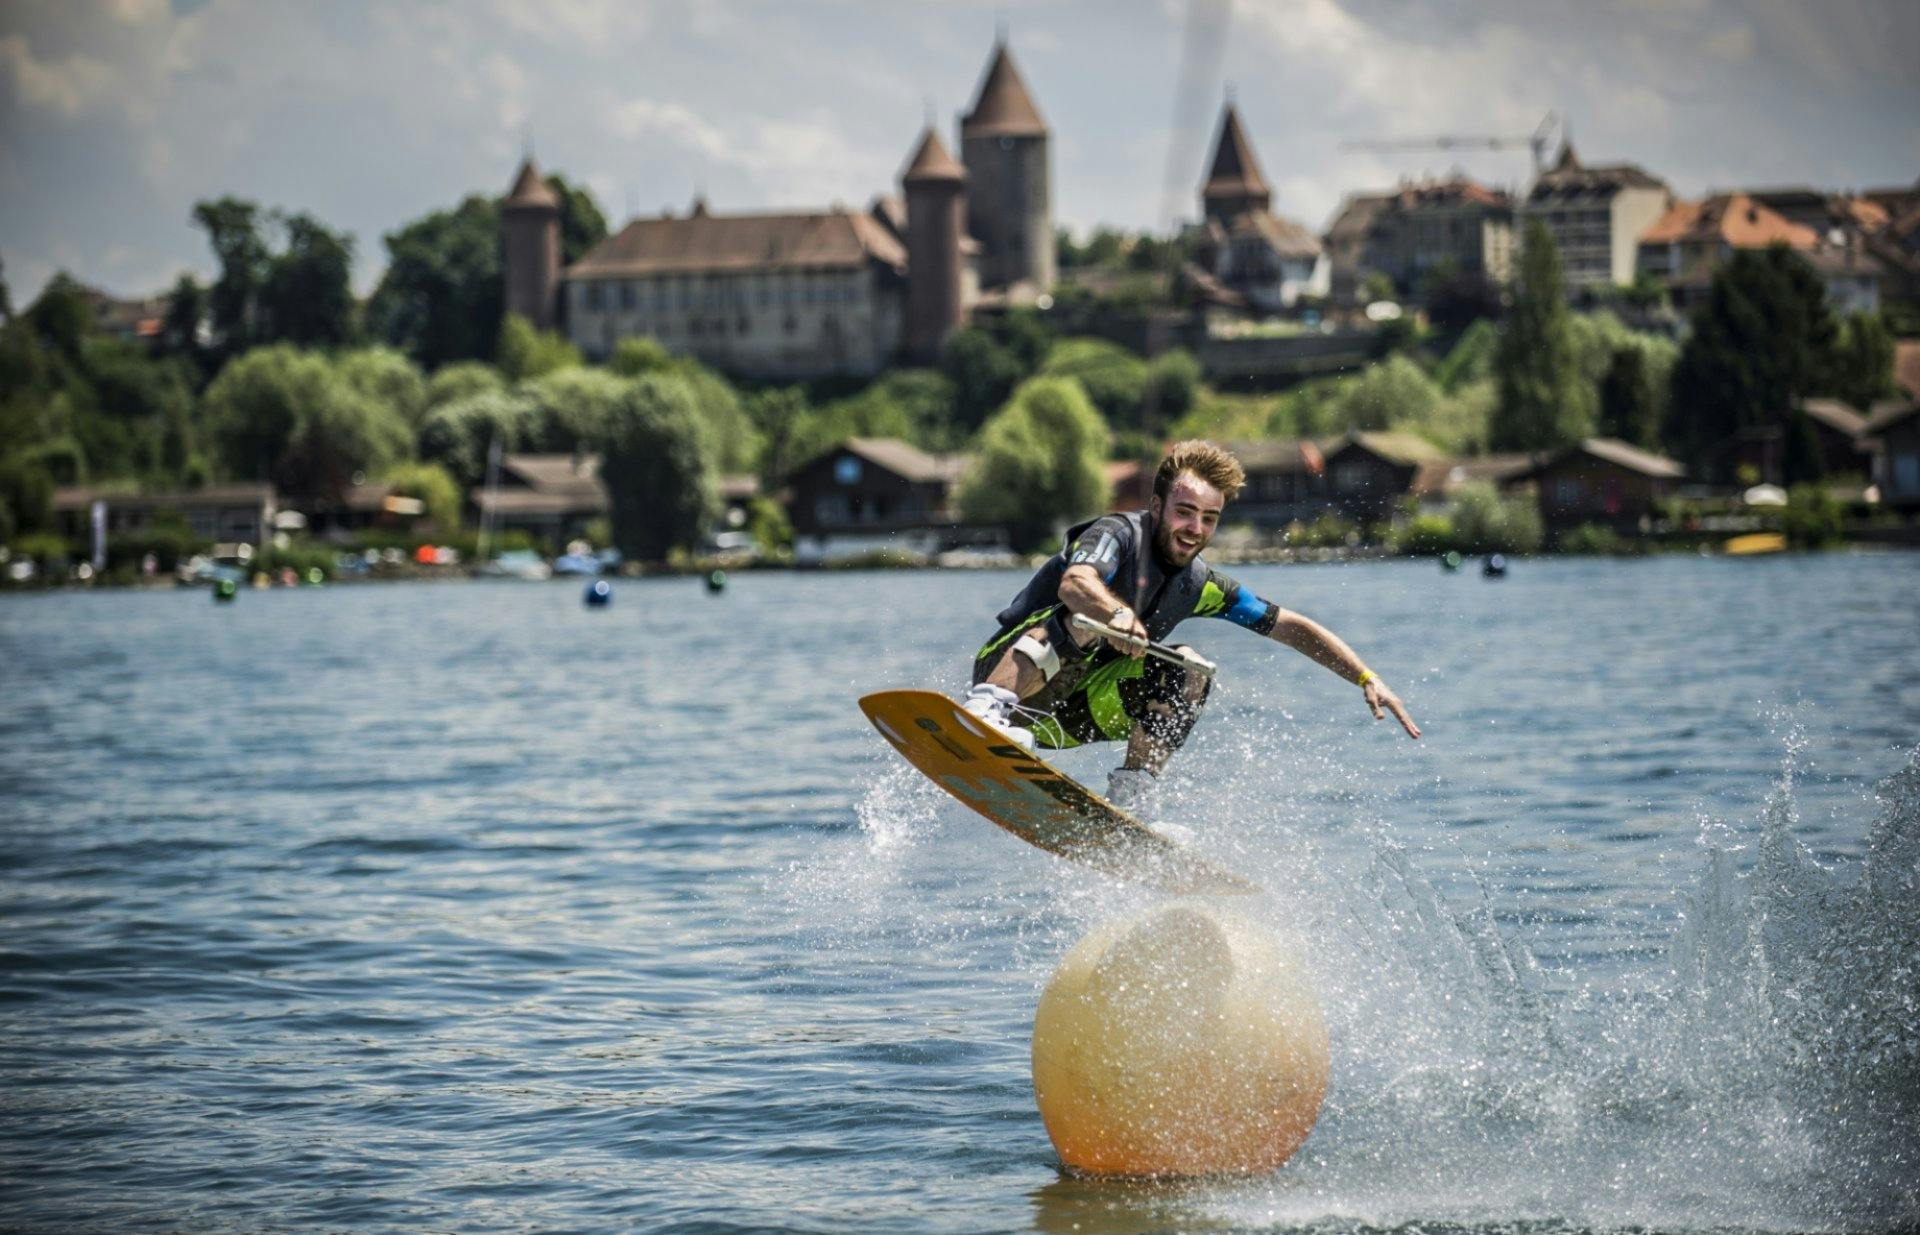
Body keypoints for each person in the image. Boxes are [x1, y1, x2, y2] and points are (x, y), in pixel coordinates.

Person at [963, 439, 1420, 812]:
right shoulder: (1115, 535)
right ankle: (986, 714)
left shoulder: (1200, 585)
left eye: (1209, 518)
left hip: (1067, 720)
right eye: (1185, 511)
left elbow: (1290, 626)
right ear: (1158, 506)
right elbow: (1076, 583)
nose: (1195, 528)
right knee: (1087, 618)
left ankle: (1131, 799)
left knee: (1192, 668)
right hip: (1011, 681)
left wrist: (1365, 676)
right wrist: (1118, 614)